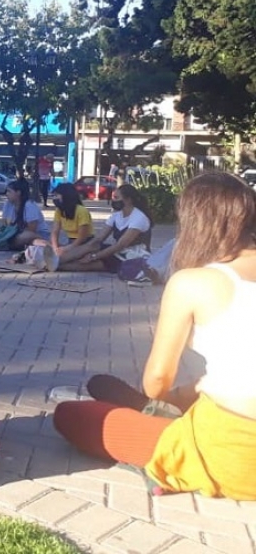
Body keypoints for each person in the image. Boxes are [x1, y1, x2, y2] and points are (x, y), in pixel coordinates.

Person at [54, 172, 256, 500]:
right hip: (217, 405)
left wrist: (167, 398)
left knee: (71, 416)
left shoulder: (193, 282)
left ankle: (150, 419)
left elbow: (157, 380)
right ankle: (151, 411)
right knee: (107, 387)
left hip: (231, 449)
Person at [59, 184, 152, 273]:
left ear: (128, 200)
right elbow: (99, 239)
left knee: (90, 264)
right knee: (91, 246)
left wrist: (94, 256)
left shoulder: (139, 218)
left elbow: (121, 245)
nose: (113, 201)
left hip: (133, 256)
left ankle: (56, 266)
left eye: (116, 198)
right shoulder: (116, 216)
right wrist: (87, 248)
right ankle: (57, 260)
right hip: (119, 252)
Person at [30, 182, 95, 269]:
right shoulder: (59, 211)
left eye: (57, 195)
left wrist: (67, 248)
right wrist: (55, 246)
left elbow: (82, 237)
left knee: (65, 255)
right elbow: (55, 231)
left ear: (66, 195)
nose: (54, 198)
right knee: (37, 241)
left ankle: (54, 262)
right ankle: (51, 260)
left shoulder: (81, 211)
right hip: (70, 242)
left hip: (84, 243)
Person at [1, 179, 50, 250]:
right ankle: (11, 244)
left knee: (22, 237)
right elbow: (5, 224)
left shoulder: (29, 205)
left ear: (18, 192)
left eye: (9, 191)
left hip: (37, 234)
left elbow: (32, 229)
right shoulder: (7, 204)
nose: (6, 194)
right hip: (13, 233)